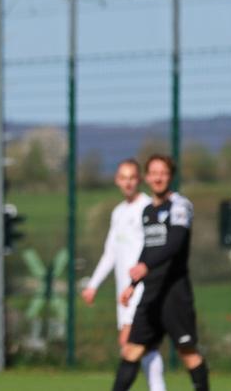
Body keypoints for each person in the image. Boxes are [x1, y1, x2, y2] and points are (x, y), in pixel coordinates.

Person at [112, 155, 210, 391]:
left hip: (175, 294)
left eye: (163, 173)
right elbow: (148, 250)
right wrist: (132, 285)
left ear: (170, 176)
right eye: (154, 173)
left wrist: (145, 267)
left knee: (187, 352)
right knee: (131, 349)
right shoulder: (147, 211)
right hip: (151, 293)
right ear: (147, 178)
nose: (158, 177)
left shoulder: (179, 205)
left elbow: (175, 242)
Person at [81, 159, 164, 391]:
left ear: (139, 180)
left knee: (131, 345)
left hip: (141, 289)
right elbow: (111, 252)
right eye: (123, 178)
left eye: (132, 178)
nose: (127, 183)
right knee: (141, 348)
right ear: (117, 180)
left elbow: (156, 248)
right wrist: (93, 285)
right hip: (123, 292)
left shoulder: (147, 207)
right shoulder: (118, 212)